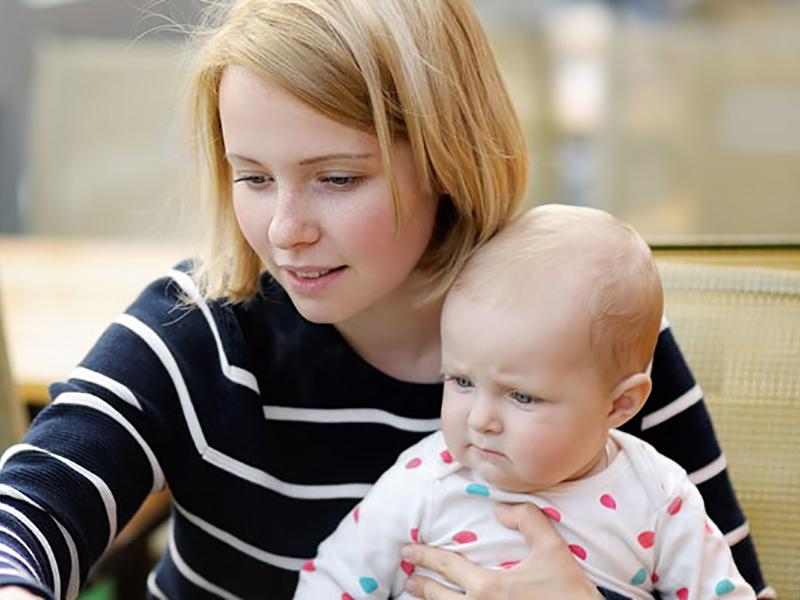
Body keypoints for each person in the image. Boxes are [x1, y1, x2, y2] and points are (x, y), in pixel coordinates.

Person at [0, 1, 768, 599]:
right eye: (254, 177)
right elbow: (27, 512)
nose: (286, 230)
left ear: (445, 157)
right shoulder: (198, 324)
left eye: (337, 179)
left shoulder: (582, 334)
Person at [294, 204, 756, 600]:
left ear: (620, 405)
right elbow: (333, 581)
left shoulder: (657, 496)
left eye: (521, 396)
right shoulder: (426, 480)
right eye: (460, 380)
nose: (480, 420)